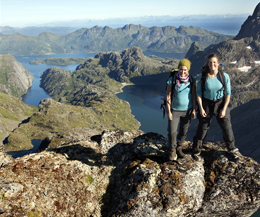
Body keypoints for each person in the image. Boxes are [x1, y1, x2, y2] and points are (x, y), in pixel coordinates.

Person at [192, 53, 240, 161]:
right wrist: (201, 108)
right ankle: (196, 150)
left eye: (214, 62)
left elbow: (228, 93)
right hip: (206, 104)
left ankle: (232, 149)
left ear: (218, 64)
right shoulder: (203, 77)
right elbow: (198, 94)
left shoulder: (224, 76)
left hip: (220, 103)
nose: (212, 64)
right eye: (210, 62)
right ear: (207, 64)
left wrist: (224, 109)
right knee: (203, 128)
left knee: (226, 126)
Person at [166, 59, 196, 160]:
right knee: (172, 131)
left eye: (185, 70)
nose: (183, 72)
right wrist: (169, 111)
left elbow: (193, 96)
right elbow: (168, 96)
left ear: (188, 70)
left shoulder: (192, 80)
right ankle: (172, 149)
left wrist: (194, 109)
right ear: (178, 68)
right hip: (174, 110)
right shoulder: (172, 80)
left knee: (184, 131)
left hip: (187, 110)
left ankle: (179, 147)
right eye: (181, 69)